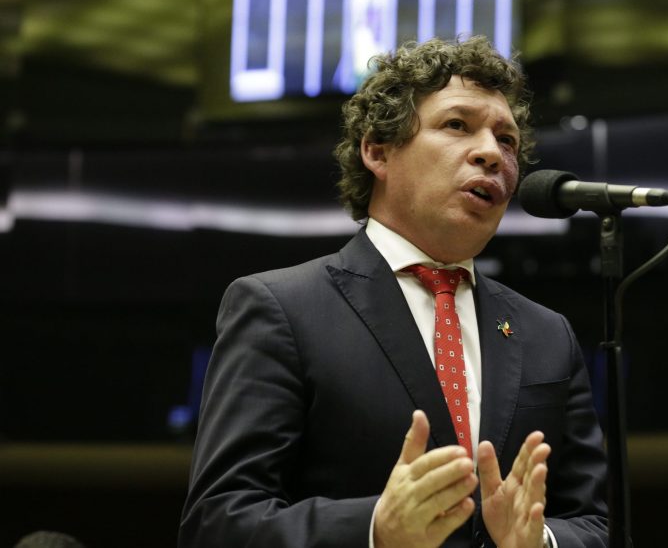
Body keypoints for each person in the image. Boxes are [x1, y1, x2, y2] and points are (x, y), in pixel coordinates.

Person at [178, 36, 608, 547]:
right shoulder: (281, 309)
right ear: (377, 151)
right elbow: (218, 523)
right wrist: (375, 531)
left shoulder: (547, 334)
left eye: (507, 140)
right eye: (457, 125)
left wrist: (541, 543)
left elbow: (596, 524)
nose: (493, 154)